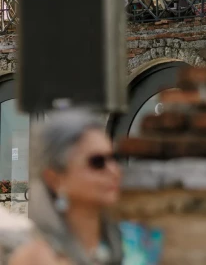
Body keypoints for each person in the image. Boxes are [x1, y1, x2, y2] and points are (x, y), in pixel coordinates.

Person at [10, 109, 123, 265]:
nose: (114, 171)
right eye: (97, 162)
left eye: (114, 158)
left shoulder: (138, 243)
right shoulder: (37, 259)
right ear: (55, 179)